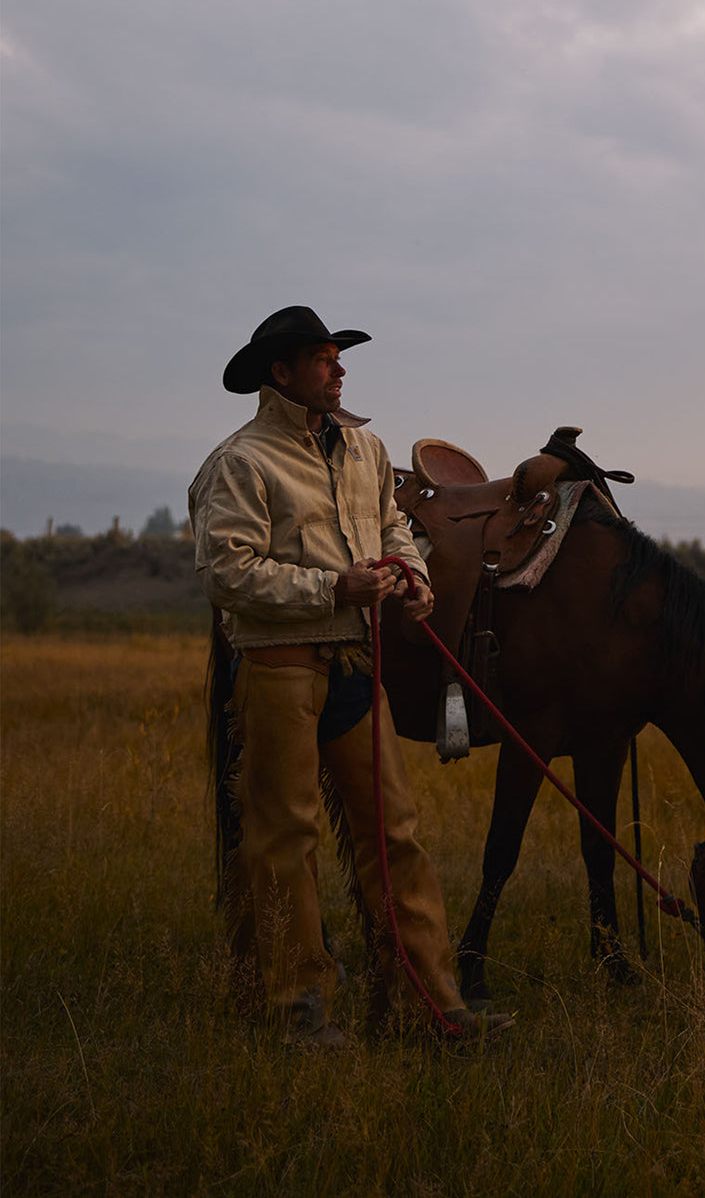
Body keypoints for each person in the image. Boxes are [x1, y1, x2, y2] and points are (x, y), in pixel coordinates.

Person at [189, 305, 513, 1048]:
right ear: (283, 373)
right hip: (278, 671)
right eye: (324, 358)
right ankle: (294, 1013)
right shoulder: (241, 463)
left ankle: (432, 1005)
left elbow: (392, 526)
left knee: (395, 832)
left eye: (339, 357)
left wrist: (410, 572)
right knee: (285, 839)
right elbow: (229, 574)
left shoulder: (366, 449)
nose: (340, 370)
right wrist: (335, 589)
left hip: (356, 670)